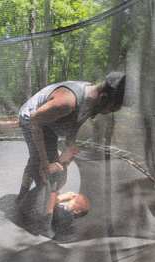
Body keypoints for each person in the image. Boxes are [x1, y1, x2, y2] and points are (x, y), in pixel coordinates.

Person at [17, 71, 126, 237]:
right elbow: (35, 121)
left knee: (41, 162)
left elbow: (75, 123)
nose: (108, 113)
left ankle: (22, 197)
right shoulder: (68, 100)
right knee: (51, 172)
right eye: (110, 109)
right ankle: (44, 224)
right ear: (103, 98)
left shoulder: (92, 98)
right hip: (31, 119)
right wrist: (45, 161)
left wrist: (71, 146)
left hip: (49, 122)